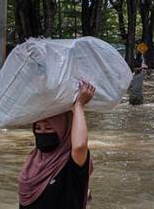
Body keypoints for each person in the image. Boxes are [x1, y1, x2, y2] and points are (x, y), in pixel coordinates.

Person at [19, 81, 96, 209]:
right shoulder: (32, 161)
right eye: (38, 128)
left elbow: (79, 146)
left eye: (49, 128)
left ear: (64, 131)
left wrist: (78, 104)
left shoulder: (71, 163)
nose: (42, 132)